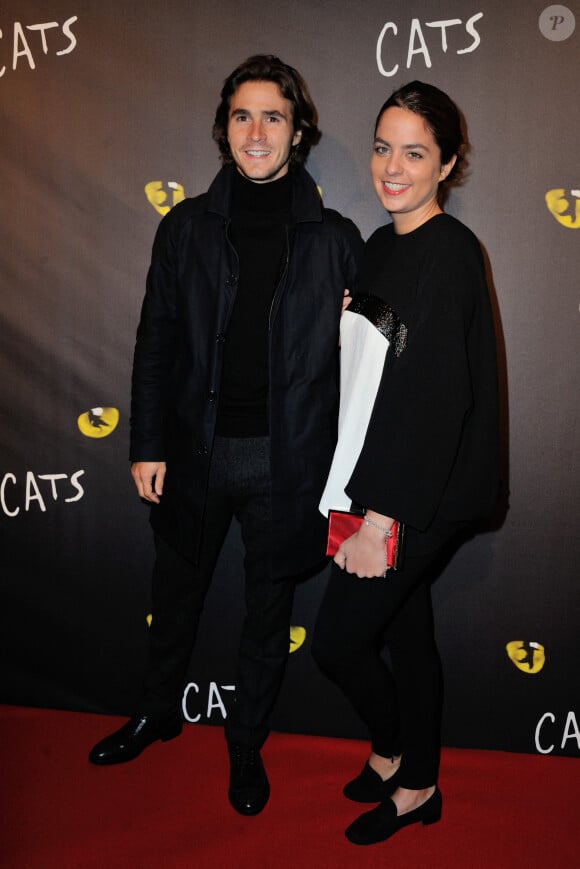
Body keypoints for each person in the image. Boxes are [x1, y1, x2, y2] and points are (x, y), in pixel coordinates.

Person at [89, 54, 363, 816]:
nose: (256, 131)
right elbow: (156, 341)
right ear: (223, 128)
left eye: (273, 115)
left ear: (298, 130)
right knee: (174, 594)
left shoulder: (336, 238)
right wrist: (146, 442)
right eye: (241, 115)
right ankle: (154, 710)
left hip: (288, 461)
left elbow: (372, 354)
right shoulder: (184, 228)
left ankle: (245, 744)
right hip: (194, 450)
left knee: (267, 614)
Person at [312, 81, 500, 845]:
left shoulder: (451, 253)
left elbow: (434, 398)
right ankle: (410, 773)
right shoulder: (381, 242)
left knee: (337, 643)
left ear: (448, 163)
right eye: (384, 146)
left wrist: (379, 518)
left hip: (424, 488)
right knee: (409, 633)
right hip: (377, 468)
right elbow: (378, 365)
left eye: (415, 152)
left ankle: (402, 758)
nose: (392, 166)